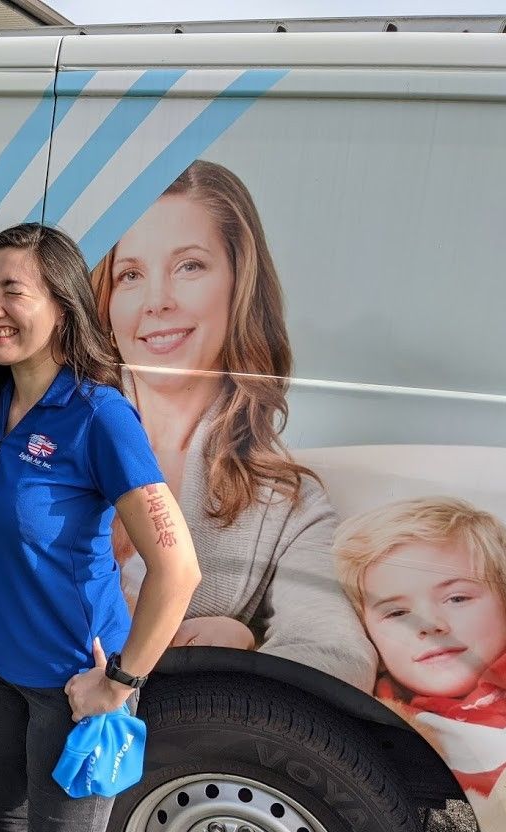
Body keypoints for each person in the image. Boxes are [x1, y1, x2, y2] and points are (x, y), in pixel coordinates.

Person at [0, 222, 201, 832]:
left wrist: (118, 683)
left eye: (13, 292)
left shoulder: (99, 415)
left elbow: (178, 569)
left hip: (72, 686)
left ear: (63, 306)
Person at [91, 159, 376, 690]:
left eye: (190, 266)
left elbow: (337, 655)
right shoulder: (54, 432)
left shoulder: (288, 502)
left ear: (239, 284)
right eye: (130, 274)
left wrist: (241, 649)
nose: (157, 301)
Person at [333, 496, 506, 832]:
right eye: (396, 612)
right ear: (365, 636)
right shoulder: (370, 734)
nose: (429, 624)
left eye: (457, 598)